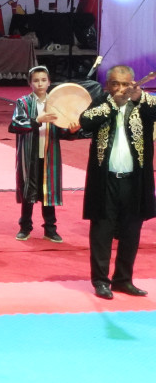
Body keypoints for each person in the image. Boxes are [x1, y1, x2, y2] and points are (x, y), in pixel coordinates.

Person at [78, 65, 156, 299]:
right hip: (105, 181)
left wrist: (139, 97)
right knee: (101, 231)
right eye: (115, 84)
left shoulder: (144, 103)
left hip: (135, 181)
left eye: (125, 84)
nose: (120, 88)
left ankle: (123, 279)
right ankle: (101, 281)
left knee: (131, 232)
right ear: (107, 85)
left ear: (133, 83)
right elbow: (85, 121)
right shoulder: (102, 102)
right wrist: (114, 104)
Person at [9, 66, 79, 243]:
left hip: (50, 153)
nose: (40, 84)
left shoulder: (57, 104)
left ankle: (50, 228)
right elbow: (15, 125)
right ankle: (25, 227)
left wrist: (71, 130)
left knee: (49, 191)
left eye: (43, 80)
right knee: (28, 190)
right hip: (29, 154)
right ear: (30, 83)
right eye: (36, 80)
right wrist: (37, 120)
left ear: (49, 82)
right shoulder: (23, 102)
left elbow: (62, 130)